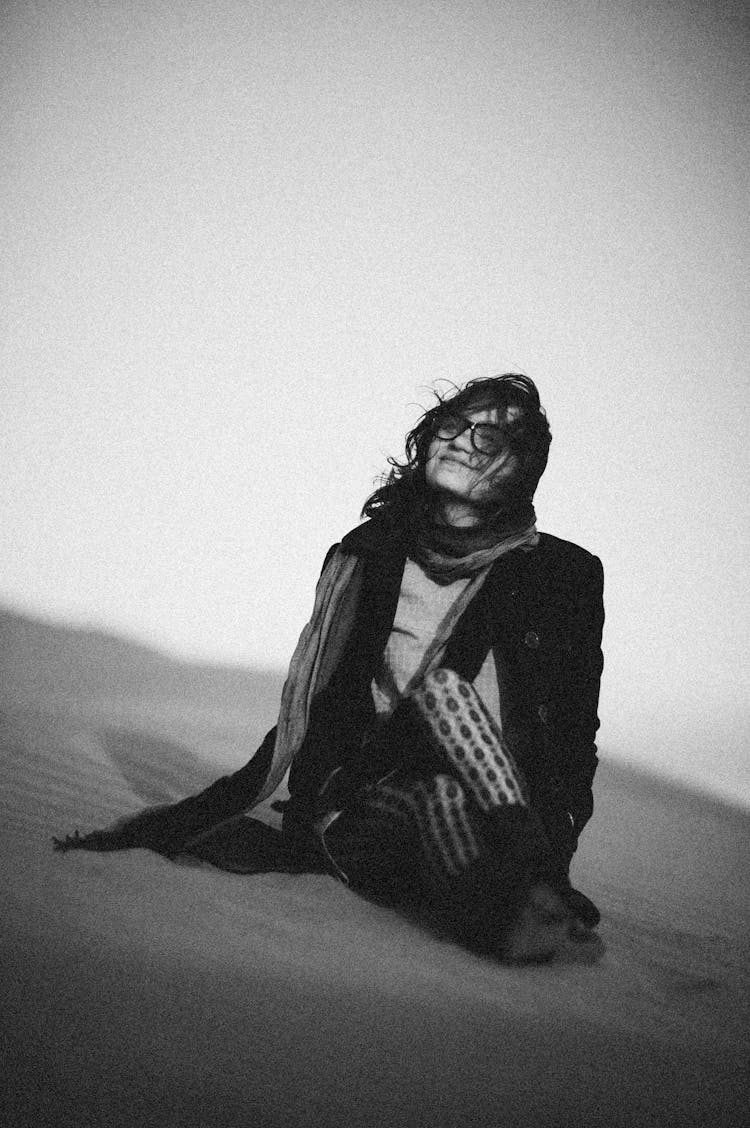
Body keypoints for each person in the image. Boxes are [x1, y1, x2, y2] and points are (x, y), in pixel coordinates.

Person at [55, 374, 605, 963]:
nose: (462, 442)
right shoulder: (369, 554)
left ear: (521, 469)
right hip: (370, 796)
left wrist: (561, 841)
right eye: (453, 424)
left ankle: (522, 894)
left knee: (447, 725)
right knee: (438, 772)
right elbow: (318, 703)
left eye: (490, 438)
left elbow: (572, 733)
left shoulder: (561, 577)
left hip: (503, 796)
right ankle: (521, 907)